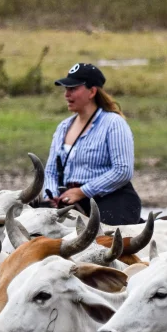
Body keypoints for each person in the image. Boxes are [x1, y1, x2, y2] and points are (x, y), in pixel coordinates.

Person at [43, 63, 142, 225]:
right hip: (69, 197)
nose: (66, 94)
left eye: (73, 89)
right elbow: (51, 171)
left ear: (92, 91)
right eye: (65, 89)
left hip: (111, 198)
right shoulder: (63, 127)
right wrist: (51, 196)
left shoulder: (113, 123)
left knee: (105, 241)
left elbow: (123, 170)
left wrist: (83, 192)